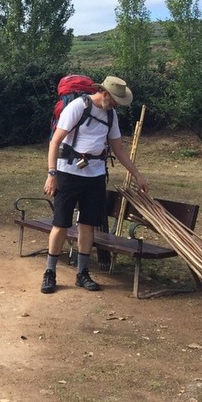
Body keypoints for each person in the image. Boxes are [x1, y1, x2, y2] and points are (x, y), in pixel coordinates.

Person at [41, 76, 148, 294]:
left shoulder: (111, 115)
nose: (116, 105)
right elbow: (55, 141)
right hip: (68, 173)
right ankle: (50, 273)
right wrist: (52, 174)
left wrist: (137, 174)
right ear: (105, 93)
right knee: (61, 223)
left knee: (88, 224)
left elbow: (118, 148)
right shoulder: (78, 107)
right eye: (115, 100)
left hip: (96, 175)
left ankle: (82, 273)